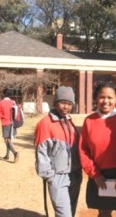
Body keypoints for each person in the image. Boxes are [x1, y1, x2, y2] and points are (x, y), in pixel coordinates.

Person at [79, 82, 116, 217]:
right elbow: (83, 149)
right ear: (96, 98)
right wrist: (95, 174)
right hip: (99, 174)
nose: (106, 101)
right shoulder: (89, 121)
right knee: (103, 213)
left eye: (110, 97)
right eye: (101, 97)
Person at [35, 86, 82, 217]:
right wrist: (51, 178)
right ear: (55, 103)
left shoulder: (69, 121)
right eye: (62, 103)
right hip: (58, 177)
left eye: (69, 104)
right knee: (64, 214)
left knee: (71, 212)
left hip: (75, 175)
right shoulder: (45, 124)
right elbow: (41, 154)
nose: (66, 107)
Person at [0, 88, 19, 163]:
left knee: (6, 140)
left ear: (4, 94)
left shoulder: (1, 102)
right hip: (12, 123)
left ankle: (15, 153)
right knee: (9, 139)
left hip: (5, 123)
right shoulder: (13, 102)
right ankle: (7, 155)